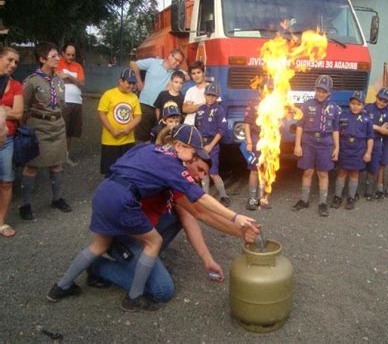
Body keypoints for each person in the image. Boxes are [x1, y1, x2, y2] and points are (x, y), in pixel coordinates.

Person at [47, 124, 256, 312]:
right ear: (179, 146)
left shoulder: (147, 149)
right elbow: (201, 202)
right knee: (158, 268)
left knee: (99, 244)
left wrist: (211, 256)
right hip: (124, 202)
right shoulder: (173, 166)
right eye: (194, 157)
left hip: (105, 191)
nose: (197, 166)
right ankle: (130, 295)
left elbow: (195, 215)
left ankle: (60, 288)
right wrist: (235, 216)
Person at [88, 154, 259, 302]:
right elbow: (202, 213)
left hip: (144, 233)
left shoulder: (179, 180)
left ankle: (146, 259)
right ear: (189, 158)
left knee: (180, 214)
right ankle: (98, 266)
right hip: (124, 234)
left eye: (204, 174)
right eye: (199, 169)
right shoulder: (167, 170)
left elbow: (193, 216)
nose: (200, 177)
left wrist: (207, 260)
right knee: (162, 291)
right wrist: (238, 226)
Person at [19, 42, 71, 221]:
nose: (58, 58)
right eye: (54, 56)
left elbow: (61, 103)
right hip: (38, 127)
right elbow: (23, 107)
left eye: (58, 55)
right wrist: (26, 129)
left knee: (57, 164)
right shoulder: (32, 81)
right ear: (42, 59)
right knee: (32, 165)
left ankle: (57, 199)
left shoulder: (58, 79)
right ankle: (25, 205)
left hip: (57, 126)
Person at [293, 75, 340, 217]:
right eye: (319, 90)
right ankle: (304, 199)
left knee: (323, 173)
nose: (321, 94)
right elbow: (299, 127)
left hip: (325, 144)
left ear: (329, 92)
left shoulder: (334, 108)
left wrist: (337, 147)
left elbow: (336, 129)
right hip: (308, 143)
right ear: (315, 89)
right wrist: (297, 145)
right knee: (307, 172)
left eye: (324, 91)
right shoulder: (306, 105)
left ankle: (323, 203)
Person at [130, 49, 185, 142]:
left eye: (180, 62)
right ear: (170, 56)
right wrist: (139, 82)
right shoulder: (153, 62)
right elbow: (133, 64)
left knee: (157, 138)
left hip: (160, 110)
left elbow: (186, 76)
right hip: (145, 105)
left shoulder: (176, 72)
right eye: (176, 59)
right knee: (140, 137)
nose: (177, 63)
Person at [331, 91, 373, 210]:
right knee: (342, 172)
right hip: (344, 148)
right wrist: (336, 148)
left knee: (354, 173)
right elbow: (336, 133)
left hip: (358, 149)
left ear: (363, 105)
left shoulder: (367, 119)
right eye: (353, 103)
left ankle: (351, 197)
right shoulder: (343, 116)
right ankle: (337, 196)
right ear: (349, 103)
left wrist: (368, 152)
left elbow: (370, 137)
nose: (355, 106)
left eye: (359, 104)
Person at [98, 68, 142, 177]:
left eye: (133, 83)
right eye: (128, 82)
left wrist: (128, 128)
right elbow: (101, 113)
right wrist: (112, 130)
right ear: (121, 81)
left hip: (128, 141)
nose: (131, 86)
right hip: (110, 141)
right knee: (110, 170)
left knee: (126, 169)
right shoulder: (109, 94)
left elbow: (138, 116)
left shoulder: (134, 97)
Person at [195, 83, 231, 206]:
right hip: (201, 144)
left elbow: (221, 130)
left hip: (212, 143)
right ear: (205, 95)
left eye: (213, 96)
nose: (210, 98)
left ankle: (224, 196)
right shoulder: (200, 109)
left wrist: (211, 146)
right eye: (208, 95)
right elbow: (196, 127)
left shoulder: (219, 110)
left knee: (213, 172)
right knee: (203, 172)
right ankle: (205, 197)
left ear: (217, 97)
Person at [0, 47, 23, 238]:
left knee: (7, 181)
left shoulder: (15, 85)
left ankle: (1, 221)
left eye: (16, 62)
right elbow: (12, 111)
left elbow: (18, 113)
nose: (13, 64)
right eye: (10, 60)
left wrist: (3, 111)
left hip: (7, 140)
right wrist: (6, 108)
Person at [243, 78, 272, 210]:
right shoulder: (253, 104)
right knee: (255, 170)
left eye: (269, 89)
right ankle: (252, 198)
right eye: (264, 88)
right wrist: (249, 141)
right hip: (256, 141)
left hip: (270, 142)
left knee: (266, 171)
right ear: (259, 89)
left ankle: (263, 199)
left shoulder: (275, 104)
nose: (266, 91)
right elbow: (247, 124)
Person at [56, 44, 85, 166]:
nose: (71, 57)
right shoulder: (57, 63)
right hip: (63, 102)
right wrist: (75, 80)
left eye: (73, 55)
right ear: (62, 53)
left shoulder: (78, 66)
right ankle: (56, 158)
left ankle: (65, 157)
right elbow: (56, 78)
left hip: (76, 101)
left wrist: (68, 76)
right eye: (68, 54)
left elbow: (82, 83)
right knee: (60, 130)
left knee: (70, 133)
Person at [363, 88, 388, 201]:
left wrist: (377, 128)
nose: (382, 103)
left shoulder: (387, 112)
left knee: (373, 167)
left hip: (377, 142)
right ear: (376, 97)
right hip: (364, 140)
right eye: (380, 99)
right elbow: (364, 123)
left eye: (385, 101)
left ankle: (368, 191)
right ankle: (353, 192)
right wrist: (379, 128)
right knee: (358, 165)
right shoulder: (368, 107)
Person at [183, 61, 208, 125]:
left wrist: (193, 106)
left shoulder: (211, 88)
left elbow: (214, 108)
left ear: (203, 73)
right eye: (193, 73)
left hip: (205, 126)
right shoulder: (190, 90)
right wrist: (203, 104)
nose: (196, 76)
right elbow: (185, 109)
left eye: (198, 72)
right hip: (188, 124)